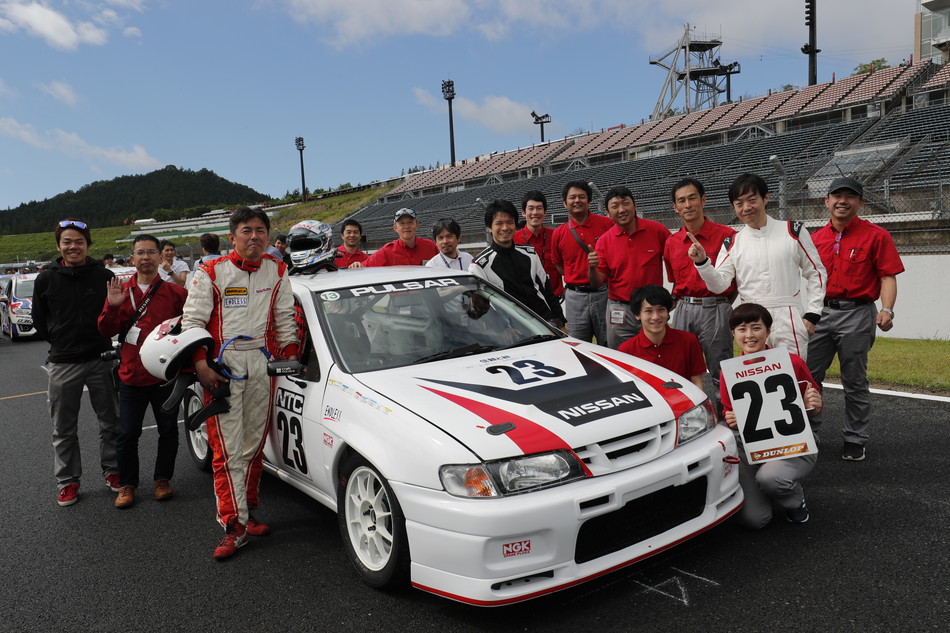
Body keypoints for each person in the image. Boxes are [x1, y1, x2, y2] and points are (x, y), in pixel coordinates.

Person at [181, 206, 299, 559]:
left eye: (260, 230)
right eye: (246, 231)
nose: (254, 237)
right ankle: (233, 525)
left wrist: (292, 354)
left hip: (261, 362)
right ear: (232, 237)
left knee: (253, 444)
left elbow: (285, 318)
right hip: (223, 366)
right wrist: (201, 366)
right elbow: (192, 323)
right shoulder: (211, 271)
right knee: (228, 450)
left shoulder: (277, 268)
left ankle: (247, 512)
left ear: (268, 235)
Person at [807, 177, 904, 462]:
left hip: (858, 313)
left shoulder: (877, 236)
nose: (842, 201)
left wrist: (887, 309)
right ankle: (809, 434)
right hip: (820, 313)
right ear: (826, 201)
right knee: (808, 377)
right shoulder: (814, 239)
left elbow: (887, 276)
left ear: (860, 202)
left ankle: (854, 438)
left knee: (854, 380)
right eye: (836, 196)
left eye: (850, 196)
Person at [687, 172, 826, 360]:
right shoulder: (732, 242)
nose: (746, 207)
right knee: (756, 373)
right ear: (733, 207)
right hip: (751, 322)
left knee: (793, 374)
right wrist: (703, 262)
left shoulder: (793, 231)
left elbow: (816, 273)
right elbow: (719, 285)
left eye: (752, 200)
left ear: (766, 198)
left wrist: (812, 315)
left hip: (788, 318)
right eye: (739, 203)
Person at [31, 219, 119, 507]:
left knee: (111, 421)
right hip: (63, 362)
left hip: (101, 358)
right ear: (59, 246)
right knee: (63, 427)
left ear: (87, 245)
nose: (73, 246)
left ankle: (114, 471)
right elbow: (39, 320)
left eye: (79, 241)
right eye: (67, 242)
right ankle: (68, 481)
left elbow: (114, 314)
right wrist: (60, 340)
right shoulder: (46, 279)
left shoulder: (104, 275)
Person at [97, 235, 188, 508]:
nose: (146, 257)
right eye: (140, 253)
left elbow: (190, 328)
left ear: (161, 257)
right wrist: (112, 307)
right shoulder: (120, 290)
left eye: (151, 252)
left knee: (168, 430)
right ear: (132, 258)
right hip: (131, 375)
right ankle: (127, 484)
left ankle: (162, 479)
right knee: (127, 434)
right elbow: (105, 330)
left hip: (165, 376)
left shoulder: (176, 293)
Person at [720, 303, 823, 528]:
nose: (749, 335)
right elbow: (731, 415)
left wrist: (814, 404)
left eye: (756, 328)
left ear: (768, 331)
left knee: (770, 479)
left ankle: (793, 499)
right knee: (755, 520)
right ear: (733, 334)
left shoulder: (792, 362)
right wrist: (732, 420)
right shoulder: (729, 371)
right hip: (751, 447)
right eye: (742, 329)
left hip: (793, 443)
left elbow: (815, 408)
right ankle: (769, 488)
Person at [664, 177, 737, 411]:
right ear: (675, 207)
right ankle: (689, 419)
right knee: (681, 369)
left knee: (721, 369)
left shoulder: (727, 236)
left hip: (716, 308)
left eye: (692, 198)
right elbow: (675, 282)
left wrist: (722, 304)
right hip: (684, 308)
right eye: (681, 201)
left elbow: (734, 281)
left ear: (703, 200)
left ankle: (728, 419)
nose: (687, 205)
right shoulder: (672, 242)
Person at [588, 185, 671, 348]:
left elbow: (674, 260)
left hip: (651, 307)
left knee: (657, 353)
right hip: (619, 309)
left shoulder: (657, 230)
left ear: (635, 205)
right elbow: (597, 282)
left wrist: (673, 297)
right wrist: (592, 267)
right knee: (620, 355)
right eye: (615, 206)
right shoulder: (604, 241)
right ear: (607, 212)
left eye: (626, 203)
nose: (621, 210)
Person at [469, 200, 564, 326]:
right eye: (499, 223)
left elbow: (547, 291)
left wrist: (561, 322)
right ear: (489, 228)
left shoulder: (530, 253)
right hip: (514, 328)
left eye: (510, 222)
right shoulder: (479, 265)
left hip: (544, 324)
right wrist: (503, 330)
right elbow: (482, 308)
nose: (505, 228)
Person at [551, 180, 614, 343]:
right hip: (575, 297)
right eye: (572, 197)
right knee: (579, 344)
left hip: (604, 293)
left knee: (608, 343)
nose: (577, 200)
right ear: (565, 203)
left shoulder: (607, 224)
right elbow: (559, 265)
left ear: (589, 201)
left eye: (581, 197)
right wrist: (576, 275)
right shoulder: (558, 233)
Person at [618, 285, 706, 390]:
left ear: (668, 312)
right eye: (648, 311)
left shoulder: (689, 341)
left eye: (661, 309)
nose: (655, 317)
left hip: (684, 400)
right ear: (637, 315)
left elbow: (697, 383)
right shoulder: (626, 350)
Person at [514, 190, 563, 298]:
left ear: (545, 212)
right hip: (525, 299)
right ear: (523, 213)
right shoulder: (513, 239)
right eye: (531, 208)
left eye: (539, 208)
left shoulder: (556, 236)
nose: (535, 212)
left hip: (554, 298)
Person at [351, 208, 438, 267]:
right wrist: (357, 265)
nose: (406, 226)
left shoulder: (430, 247)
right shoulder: (387, 251)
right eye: (402, 223)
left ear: (417, 225)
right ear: (395, 228)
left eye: (410, 222)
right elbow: (364, 266)